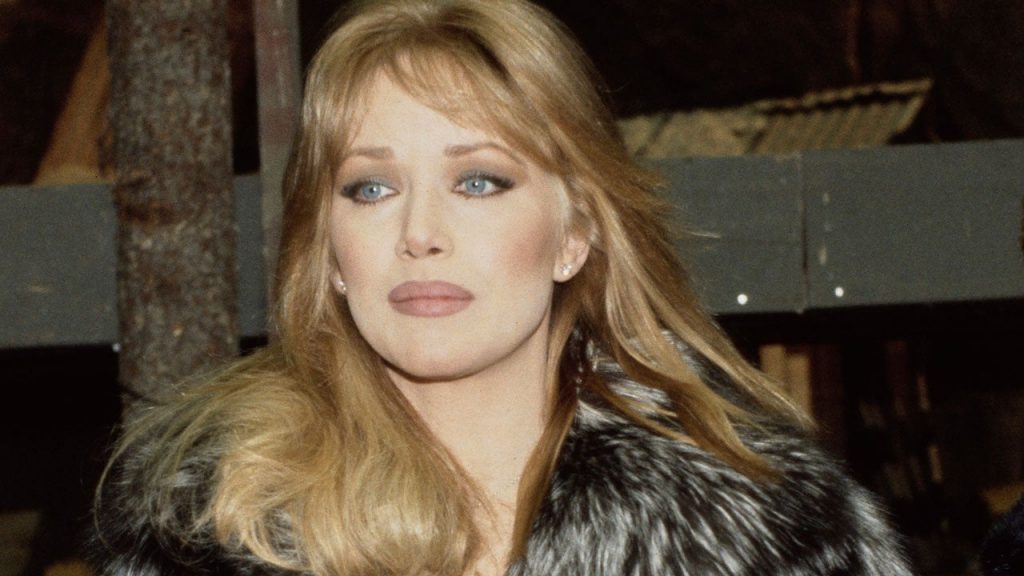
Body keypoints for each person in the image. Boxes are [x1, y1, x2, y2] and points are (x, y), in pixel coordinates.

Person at [91, 0, 912, 574]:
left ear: (574, 235)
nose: (420, 233)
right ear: (330, 252)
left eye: (479, 181)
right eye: (371, 188)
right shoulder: (204, 530)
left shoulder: (766, 537)